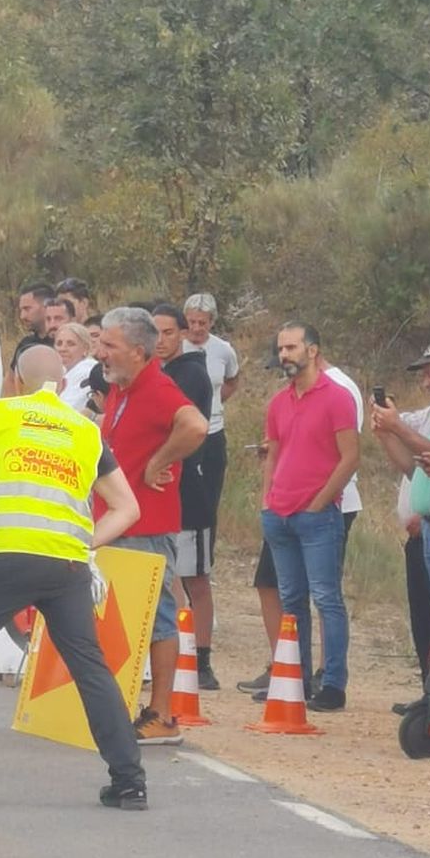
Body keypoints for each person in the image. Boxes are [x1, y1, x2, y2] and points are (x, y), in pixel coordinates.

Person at [0, 347, 147, 811]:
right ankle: (129, 781)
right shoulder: (86, 431)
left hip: (3, 557)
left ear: (15, 379)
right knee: (89, 666)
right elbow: (128, 508)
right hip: (65, 564)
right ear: (63, 384)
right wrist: (86, 544)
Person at [93, 305, 209, 742]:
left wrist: (159, 461)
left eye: (110, 345)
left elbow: (195, 426)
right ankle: (118, 705)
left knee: (157, 619)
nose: (100, 352)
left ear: (138, 351)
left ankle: (162, 714)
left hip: (147, 528)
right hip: (118, 524)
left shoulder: (158, 387)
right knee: (117, 618)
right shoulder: (122, 387)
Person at [259, 321, 359, 711]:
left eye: (292, 347)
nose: (284, 355)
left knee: (326, 598)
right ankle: (294, 677)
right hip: (280, 512)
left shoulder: (336, 397)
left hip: (316, 514)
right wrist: (267, 499)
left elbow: (350, 455)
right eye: (281, 348)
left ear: (312, 350)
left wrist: (321, 501)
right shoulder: (279, 401)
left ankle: (333, 683)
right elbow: (274, 451)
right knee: (291, 599)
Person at [370, 340, 430, 683]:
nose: (428, 382)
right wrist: (386, 433)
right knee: (428, 618)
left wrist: (398, 428)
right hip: (424, 529)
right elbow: (413, 466)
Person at [152, 303, 216, 678]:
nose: (161, 340)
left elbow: (185, 429)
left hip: (191, 487)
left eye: (168, 333)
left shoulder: (190, 373)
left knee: (195, 577)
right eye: (155, 333)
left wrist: (158, 461)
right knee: (172, 573)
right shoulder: (163, 372)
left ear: (183, 334)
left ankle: (201, 657)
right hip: (167, 490)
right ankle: (181, 652)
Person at [181, 293, 241, 687]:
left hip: (212, 435)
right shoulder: (180, 350)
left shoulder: (223, 351)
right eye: (193, 322)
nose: (198, 328)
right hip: (184, 433)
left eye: (204, 322)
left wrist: (215, 405)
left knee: (207, 509)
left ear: (212, 322)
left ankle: (204, 560)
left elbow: (233, 379)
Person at [8, 284, 57, 387]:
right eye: (21, 310)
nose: (22, 316)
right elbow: (10, 381)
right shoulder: (25, 344)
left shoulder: (64, 343)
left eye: (27, 309)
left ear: (46, 307)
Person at [53, 319, 98, 408]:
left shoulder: (88, 372)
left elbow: (70, 407)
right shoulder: (56, 372)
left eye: (70, 344)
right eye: (59, 343)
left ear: (86, 348)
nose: (63, 348)